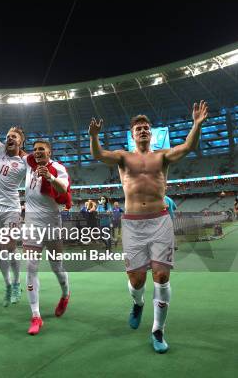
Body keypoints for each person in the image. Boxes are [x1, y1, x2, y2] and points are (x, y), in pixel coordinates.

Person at [89, 100, 208, 353]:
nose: (142, 130)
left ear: (151, 133)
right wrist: (95, 137)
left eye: (146, 127)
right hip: (132, 224)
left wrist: (196, 124)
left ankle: (158, 330)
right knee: (136, 279)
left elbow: (188, 146)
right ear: (132, 135)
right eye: (138, 128)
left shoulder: (162, 156)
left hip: (160, 221)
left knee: (162, 277)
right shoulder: (123, 157)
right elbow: (98, 155)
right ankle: (138, 303)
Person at [23, 140, 72, 335]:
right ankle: (36, 316)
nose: (37, 152)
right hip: (31, 223)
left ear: (49, 152)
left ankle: (66, 294)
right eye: (34, 150)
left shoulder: (58, 167)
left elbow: (64, 189)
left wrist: (50, 177)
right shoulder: (29, 164)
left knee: (56, 266)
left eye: (41, 149)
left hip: (52, 222)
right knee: (30, 267)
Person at [0, 105, 27, 306]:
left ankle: (17, 283)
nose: (10, 139)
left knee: (10, 247)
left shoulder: (26, 161)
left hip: (11, 207)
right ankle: (8, 284)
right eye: (8, 136)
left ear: (21, 142)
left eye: (14, 137)